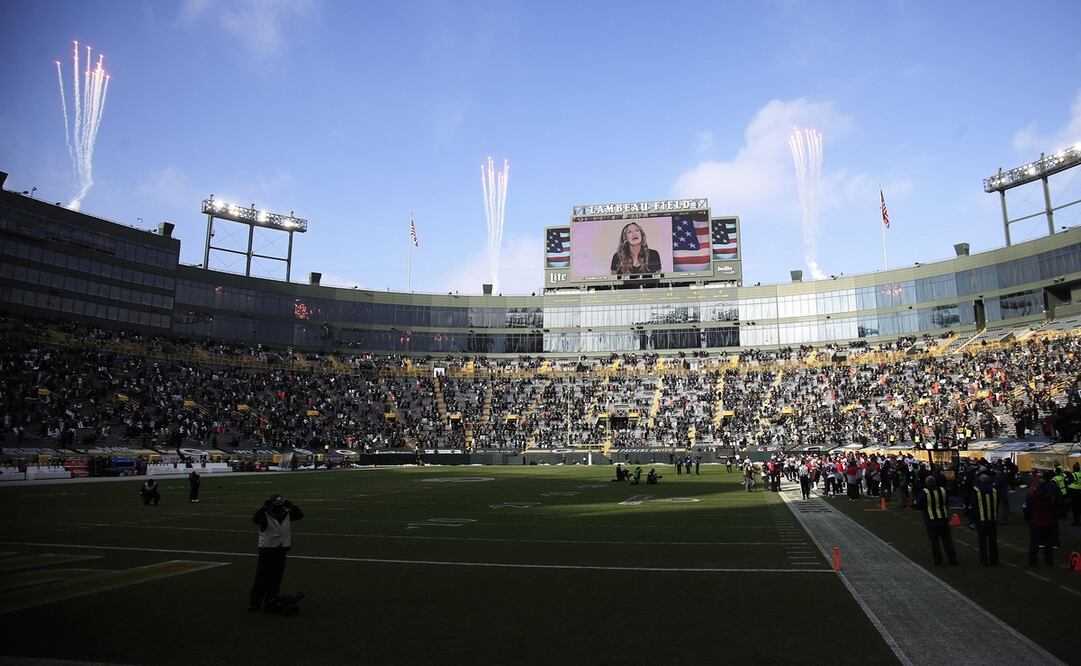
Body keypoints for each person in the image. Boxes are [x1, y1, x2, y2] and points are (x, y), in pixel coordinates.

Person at [249, 494, 304, 611]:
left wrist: (292, 506)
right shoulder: (265, 513)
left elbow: (300, 515)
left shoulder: (286, 512)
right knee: (262, 577)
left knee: (276, 577)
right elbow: (255, 520)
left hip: (281, 547)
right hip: (267, 548)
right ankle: (255, 602)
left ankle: (271, 600)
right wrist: (262, 508)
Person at [914, 476, 958, 566]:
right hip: (943, 518)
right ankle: (952, 559)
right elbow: (947, 501)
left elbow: (919, 504)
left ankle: (938, 560)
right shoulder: (942, 490)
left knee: (935, 542)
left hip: (931, 520)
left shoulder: (925, 492)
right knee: (947, 540)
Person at [1023, 471, 1061, 566]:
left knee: (1034, 544)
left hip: (1035, 522)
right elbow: (1056, 507)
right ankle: (1049, 560)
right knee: (1049, 544)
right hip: (1049, 522)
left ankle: (1032, 561)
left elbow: (1026, 508)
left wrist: (1027, 519)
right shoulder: (1051, 497)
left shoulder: (1032, 496)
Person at [967, 474, 998, 565]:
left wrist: (972, 520)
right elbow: (997, 503)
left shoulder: (976, 491)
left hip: (981, 520)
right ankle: (994, 560)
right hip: (992, 519)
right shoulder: (994, 490)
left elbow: (973, 506)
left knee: (982, 541)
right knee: (992, 542)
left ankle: (983, 560)